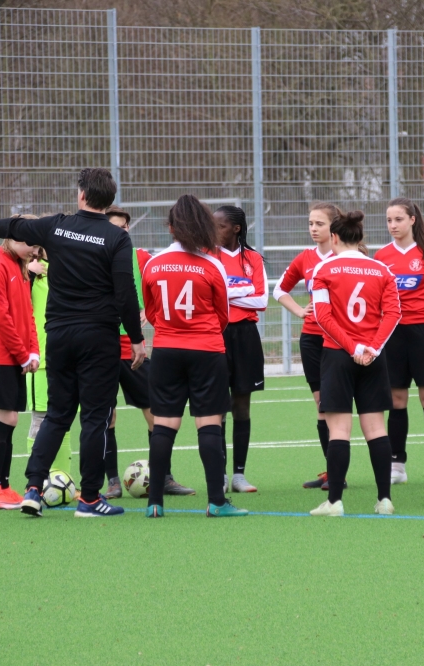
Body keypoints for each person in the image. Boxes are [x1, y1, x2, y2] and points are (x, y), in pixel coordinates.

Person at [0, 167, 145, 518]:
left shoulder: (56, 226)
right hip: (98, 337)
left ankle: (33, 488)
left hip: (59, 336)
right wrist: (136, 339)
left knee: (57, 414)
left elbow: (13, 226)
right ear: (109, 201)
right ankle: (90, 499)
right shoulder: (116, 238)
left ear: (81, 195)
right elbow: (125, 292)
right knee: (95, 418)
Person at [142, 195, 247, 518]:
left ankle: (154, 503)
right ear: (204, 227)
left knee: (164, 425)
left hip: (166, 350)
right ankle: (217, 502)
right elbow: (223, 314)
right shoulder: (212, 265)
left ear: (170, 228)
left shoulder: (153, 264)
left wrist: (171, 329)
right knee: (209, 424)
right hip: (206, 350)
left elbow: (151, 311)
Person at [308, 209, 401, 517]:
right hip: (373, 357)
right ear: (360, 238)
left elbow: (322, 317)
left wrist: (352, 347)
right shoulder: (382, 270)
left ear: (334, 237)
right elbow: (394, 314)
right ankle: (384, 500)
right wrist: (372, 348)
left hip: (338, 355)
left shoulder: (323, 269)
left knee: (339, 430)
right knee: (376, 428)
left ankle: (334, 502)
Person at [101, 205, 195, 499]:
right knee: (106, 417)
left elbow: (161, 288)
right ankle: (112, 482)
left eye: (125, 227)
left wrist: (148, 310)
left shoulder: (141, 257)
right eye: (116, 227)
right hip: (101, 349)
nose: (122, 231)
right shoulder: (92, 257)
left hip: (135, 348)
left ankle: (164, 477)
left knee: (157, 413)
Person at [373, 197, 424, 484]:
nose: (393, 225)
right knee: (397, 399)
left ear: (412, 220)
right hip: (393, 334)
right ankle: (397, 464)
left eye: (398, 219)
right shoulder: (381, 257)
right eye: (389, 220)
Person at [272, 202, 336, 490]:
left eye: (319, 223)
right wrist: (300, 311)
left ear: (334, 227)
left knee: (336, 407)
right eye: (311, 223)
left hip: (339, 340)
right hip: (311, 339)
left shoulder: (345, 256)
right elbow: (279, 290)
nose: (313, 228)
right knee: (322, 407)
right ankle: (333, 471)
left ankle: (339, 470)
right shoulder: (305, 258)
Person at [0, 237, 40, 509]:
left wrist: (33, 351)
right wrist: (22, 353)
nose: (34, 252)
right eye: (31, 246)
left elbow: (28, 314)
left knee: (11, 420)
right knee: (2, 420)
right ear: (12, 239)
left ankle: (3, 486)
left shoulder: (19, 265)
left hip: (14, 357)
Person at [213, 205, 268, 494]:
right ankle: (220, 474)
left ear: (236, 229)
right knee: (218, 407)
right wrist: (243, 290)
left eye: (220, 226)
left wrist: (226, 294)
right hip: (216, 334)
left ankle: (239, 475)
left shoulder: (253, 258)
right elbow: (210, 296)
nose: (214, 230)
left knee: (242, 405)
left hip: (246, 335)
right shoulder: (208, 256)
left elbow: (262, 301)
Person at [25, 243, 73, 479]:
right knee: (41, 421)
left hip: (68, 359)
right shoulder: (29, 271)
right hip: (41, 362)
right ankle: (38, 482)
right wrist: (29, 272)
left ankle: (64, 480)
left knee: (65, 420)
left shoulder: (66, 267)